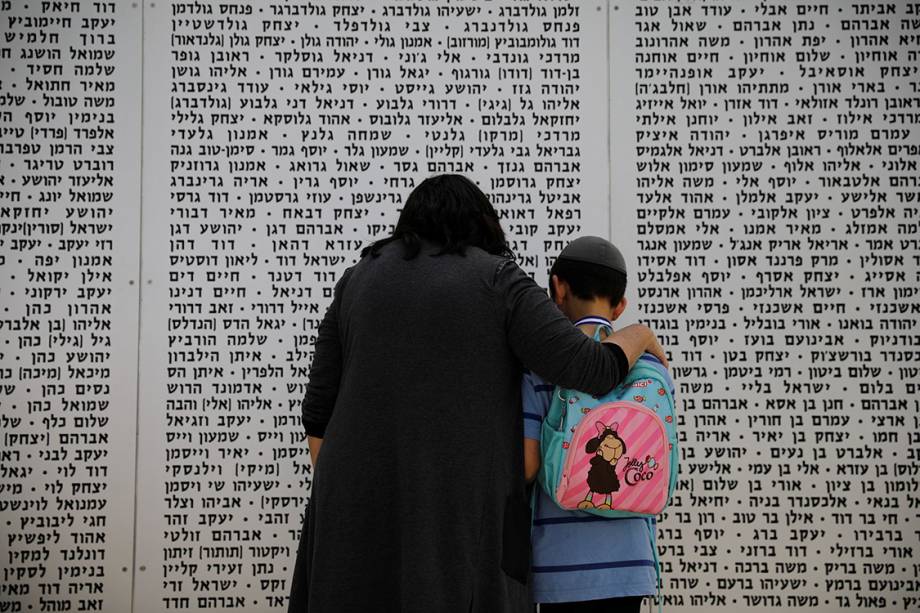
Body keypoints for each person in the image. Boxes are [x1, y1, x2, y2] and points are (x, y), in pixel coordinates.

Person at [291, 175, 667, 613]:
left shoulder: (357, 279)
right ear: (483, 227)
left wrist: (353, 485)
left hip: (352, 506)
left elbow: (317, 409)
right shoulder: (497, 280)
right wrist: (639, 332)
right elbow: (592, 369)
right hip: (455, 507)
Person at [522, 236, 674, 613]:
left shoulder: (541, 365)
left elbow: (527, 465)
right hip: (631, 560)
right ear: (620, 305)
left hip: (561, 567)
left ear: (557, 289)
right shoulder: (652, 366)